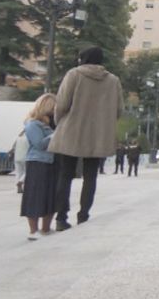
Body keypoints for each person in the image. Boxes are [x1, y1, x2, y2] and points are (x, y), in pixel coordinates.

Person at [49, 47, 122, 231]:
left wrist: (59, 123)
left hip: (72, 130)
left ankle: (61, 217)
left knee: (65, 174)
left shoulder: (73, 74)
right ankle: (83, 216)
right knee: (90, 176)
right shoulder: (113, 81)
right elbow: (119, 110)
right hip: (98, 133)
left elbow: (62, 103)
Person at [20, 93, 59, 240]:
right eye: (54, 107)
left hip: (52, 161)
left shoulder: (51, 124)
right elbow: (39, 144)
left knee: (50, 196)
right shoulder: (33, 124)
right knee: (35, 196)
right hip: (38, 162)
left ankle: (46, 228)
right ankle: (34, 230)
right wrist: (55, 135)